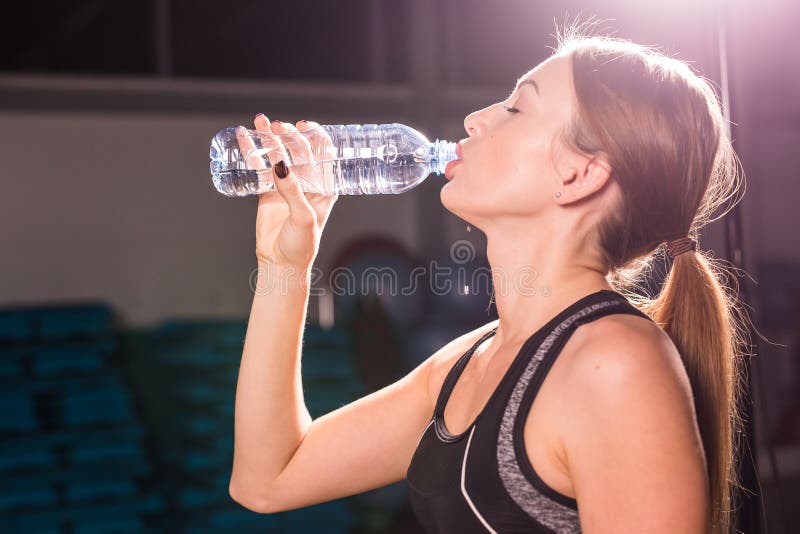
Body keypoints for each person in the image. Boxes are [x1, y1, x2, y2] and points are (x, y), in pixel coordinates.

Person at [228, 27, 749, 534]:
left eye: (517, 108)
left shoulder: (615, 363)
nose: (476, 120)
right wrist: (284, 265)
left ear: (578, 175)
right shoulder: (467, 362)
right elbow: (268, 480)